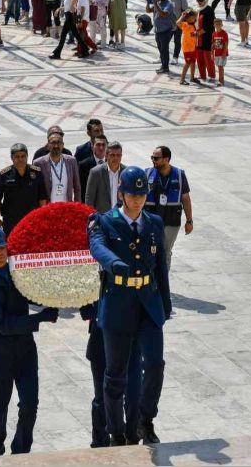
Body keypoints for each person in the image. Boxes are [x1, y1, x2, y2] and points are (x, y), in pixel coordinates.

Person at [89, 166, 171, 446]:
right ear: (121, 193)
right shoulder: (104, 221)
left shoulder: (154, 223)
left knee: (155, 364)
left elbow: (161, 266)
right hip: (118, 305)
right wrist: (112, 263)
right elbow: (97, 246)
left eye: (141, 195)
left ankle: (144, 420)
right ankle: (117, 431)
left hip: (148, 304)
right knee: (115, 375)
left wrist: (166, 304)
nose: (137, 200)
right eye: (132, 194)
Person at [0, 225, 59, 456]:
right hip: (0, 353)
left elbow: (40, 290)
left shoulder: (19, 273)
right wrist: (39, 319)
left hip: (25, 351)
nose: (0, 253)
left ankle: (21, 452)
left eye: (2, 248)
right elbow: (3, 324)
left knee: (30, 405)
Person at [145, 146, 193, 268]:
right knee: (150, 250)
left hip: (171, 220)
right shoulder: (147, 173)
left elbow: (185, 198)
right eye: (152, 157)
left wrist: (189, 220)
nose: (153, 160)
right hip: (151, 218)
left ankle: (163, 281)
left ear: (166, 159)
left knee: (165, 251)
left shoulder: (179, 175)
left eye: (156, 158)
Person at [0, 143, 48, 236]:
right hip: (11, 221)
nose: (20, 159)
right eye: (17, 157)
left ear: (27, 157)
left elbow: (42, 198)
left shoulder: (36, 172)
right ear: (12, 158)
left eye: (23, 156)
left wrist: (42, 217)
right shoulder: (4, 174)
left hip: (31, 219)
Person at [34, 132, 81, 202]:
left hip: (67, 206)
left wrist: (77, 205)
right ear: (48, 145)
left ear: (63, 145)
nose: (56, 146)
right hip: (49, 208)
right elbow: (36, 189)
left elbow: (77, 186)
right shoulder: (39, 163)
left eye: (59, 143)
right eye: (53, 143)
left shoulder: (71, 161)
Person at [85, 141, 125, 213]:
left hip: (120, 216)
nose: (115, 158)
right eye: (112, 155)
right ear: (106, 155)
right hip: (102, 217)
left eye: (118, 155)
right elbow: (89, 199)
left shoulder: (126, 172)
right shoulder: (96, 172)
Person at [150, 0, 176, 73]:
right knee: (160, 48)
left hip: (165, 30)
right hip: (158, 30)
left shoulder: (169, 4)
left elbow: (164, 14)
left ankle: (165, 67)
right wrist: (148, 2)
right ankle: (163, 65)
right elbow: (148, 10)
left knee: (164, 49)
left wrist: (156, 4)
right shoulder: (158, 3)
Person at [212, 18, 229, 86]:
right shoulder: (214, 34)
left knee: (220, 66)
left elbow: (226, 43)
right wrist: (212, 53)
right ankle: (221, 80)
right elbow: (213, 44)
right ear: (214, 25)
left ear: (221, 24)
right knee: (219, 66)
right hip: (217, 53)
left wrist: (224, 52)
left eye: (219, 24)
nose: (217, 25)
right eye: (216, 24)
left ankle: (221, 81)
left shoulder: (224, 33)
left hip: (222, 53)